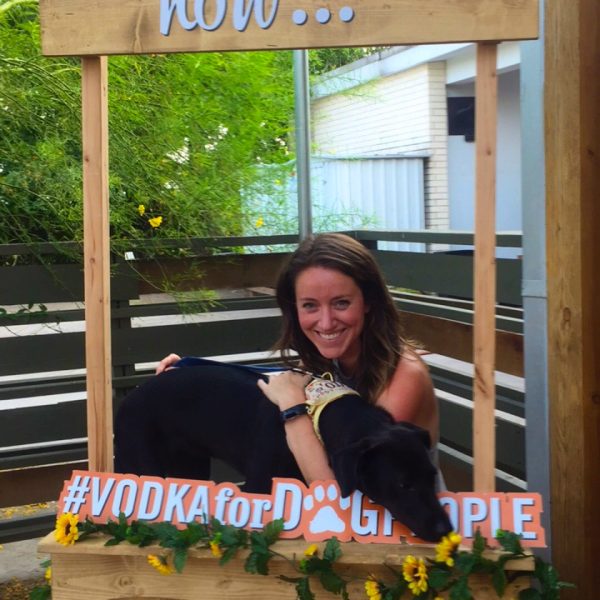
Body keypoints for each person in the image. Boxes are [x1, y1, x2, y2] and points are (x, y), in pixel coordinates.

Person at [156, 233, 443, 488]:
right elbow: (270, 387)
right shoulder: (328, 363)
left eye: (341, 303)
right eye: (310, 306)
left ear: (368, 301)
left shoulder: (405, 377)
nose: (327, 322)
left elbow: (333, 495)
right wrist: (188, 373)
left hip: (411, 538)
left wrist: (293, 409)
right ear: (294, 308)